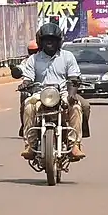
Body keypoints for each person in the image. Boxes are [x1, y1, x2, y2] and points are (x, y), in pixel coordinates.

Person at [19, 23, 85, 161]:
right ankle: (29, 145)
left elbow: (73, 77)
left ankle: (75, 145)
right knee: (28, 106)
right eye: (46, 40)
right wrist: (25, 84)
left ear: (59, 41)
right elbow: (28, 78)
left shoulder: (68, 57)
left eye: (53, 39)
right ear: (40, 41)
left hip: (62, 93)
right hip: (40, 94)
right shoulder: (33, 59)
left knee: (77, 106)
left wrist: (72, 94)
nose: (50, 42)